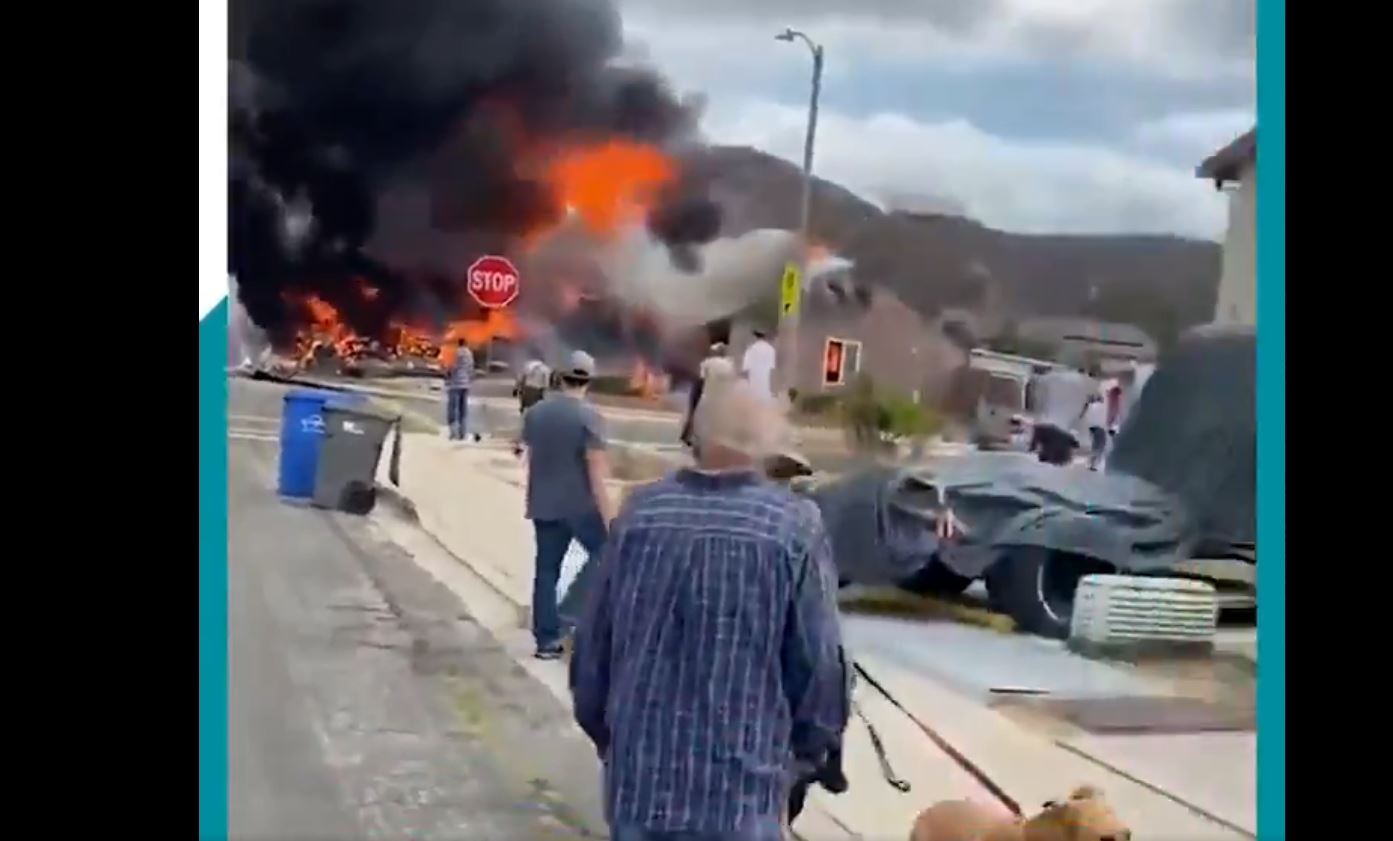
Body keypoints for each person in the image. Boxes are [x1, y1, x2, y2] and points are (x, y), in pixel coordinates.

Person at [570, 379, 849, 841]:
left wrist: (615, 744)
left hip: (639, 791)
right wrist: (801, 763)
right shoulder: (793, 527)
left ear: (696, 438)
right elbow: (821, 671)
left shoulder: (640, 514)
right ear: (767, 449)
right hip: (741, 797)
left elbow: (591, 656)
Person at [518, 350, 617, 660]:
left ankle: (545, 640)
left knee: (546, 571)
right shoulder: (589, 417)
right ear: (588, 380)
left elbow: (530, 458)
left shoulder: (535, 413)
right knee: (607, 554)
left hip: (544, 502)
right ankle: (569, 616)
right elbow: (596, 472)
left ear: (559, 377)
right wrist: (611, 519)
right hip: (580, 505)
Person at [680, 343, 736, 447]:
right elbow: (731, 382)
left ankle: (691, 438)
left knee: (699, 419)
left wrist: (694, 397)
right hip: (721, 397)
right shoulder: (729, 365)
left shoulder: (707, 363)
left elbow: (700, 380)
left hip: (707, 395)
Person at [444, 338, 477, 442]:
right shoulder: (470, 354)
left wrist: (447, 374)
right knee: (463, 410)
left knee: (453, 410)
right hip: (465, 385)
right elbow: (471, 369)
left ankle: (454, 433)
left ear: (459, 344)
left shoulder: (456, 353)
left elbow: (451, 367)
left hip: (455, 384)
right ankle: (463, 433)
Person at [741, 327, 778, 402]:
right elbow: (772, 366)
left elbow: (745, 367)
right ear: (765, 337)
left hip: (754, 375)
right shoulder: (770, 349)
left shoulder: (751, 349)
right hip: (765, 375)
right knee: (764, 392)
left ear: (755, 337)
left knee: (754, 394)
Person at [1082, 393, 1109, 470]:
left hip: (1092, 429)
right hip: (1099, 428)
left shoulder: (1089, 407)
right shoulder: (1097, 406)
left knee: (1095, 447)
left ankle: (1091, 464)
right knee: (1099, 447)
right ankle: (1092, 464)